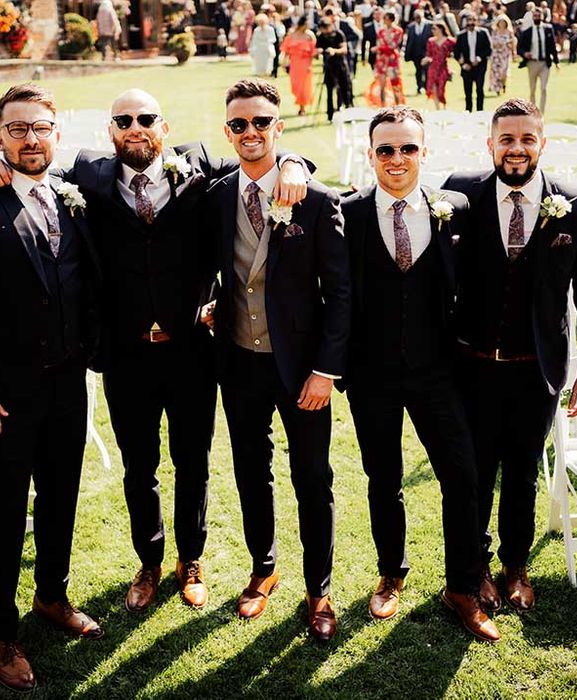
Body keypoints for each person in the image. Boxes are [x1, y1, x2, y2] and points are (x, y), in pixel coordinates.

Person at [62, 90, 308, 618]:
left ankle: (189, 561)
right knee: (139, 466)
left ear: (164, 126)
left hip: (193, 350)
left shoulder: (199, 164)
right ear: (110, 130)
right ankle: (149, 563)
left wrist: (291, 161)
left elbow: (260, 157)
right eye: (123, 119)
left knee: (192, 461)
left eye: (146, 118)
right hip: (126, 355)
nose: (135, 126)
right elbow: (33, 171)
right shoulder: (88, 174)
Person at [443, 98, 577, 614]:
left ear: (542, 142)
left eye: (527, 138)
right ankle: (475, 570)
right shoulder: (460, 193)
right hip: (471, 367)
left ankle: (516, 566)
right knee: (474, 473)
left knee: (521, 471)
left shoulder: (575, 205)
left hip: (537, 370)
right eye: (507, 139)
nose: (517, 148)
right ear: (490, 144)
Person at [340, 106, 500, 643]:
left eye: (408, 148)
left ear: (424, 153)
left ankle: (462, 585)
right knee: (383, 479)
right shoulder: (349, 214)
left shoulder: (453, 208)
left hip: (440, 373)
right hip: (371, 375)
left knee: (463, 475)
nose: (397, 159)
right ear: (371, 155)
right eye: (386, 149)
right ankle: (391, 573)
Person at [207, 79, 350, 643]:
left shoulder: (316, 199)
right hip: (239, 359)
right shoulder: (216, 195)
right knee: (251, 471)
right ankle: (263, 569)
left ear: (278, 127)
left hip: (303, 368)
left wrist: (325, 370)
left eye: (261, 123)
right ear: (227, 130)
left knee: (312, 476)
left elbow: (340, 293)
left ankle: (320, 589)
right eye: (239, 124)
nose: (250, 133)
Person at [0, 83, 103, 693]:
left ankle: (52, 596)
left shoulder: (74, 195)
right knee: (6, 511)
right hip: (9, 392)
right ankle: (2, 633)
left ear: (57, 133)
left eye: (40, 127)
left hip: (68, 380)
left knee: (61, 495)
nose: (30, 139)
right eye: (16, 129)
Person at [517, 8, 559, 114]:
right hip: (532, 63)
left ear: (542, 17)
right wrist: (525, 54)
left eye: (538, 15)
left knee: (544, 88)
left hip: (545, 63)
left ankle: (542, 113)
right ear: (532, 17)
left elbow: (553, 46)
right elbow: (519, 48)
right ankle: (533, 111)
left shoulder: (548, 29)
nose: (537, 18)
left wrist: (556, 61)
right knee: (532, 89)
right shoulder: (527, 32)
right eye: (535, 16)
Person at [316, 17, 353, 122]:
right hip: (328, 66)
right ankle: (330, 115)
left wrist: (334, 51)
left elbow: (344, 49)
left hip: (340, 65)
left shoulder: (339, 34)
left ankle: (349, 113)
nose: (325, 31)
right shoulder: (321, 36)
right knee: (329, 91)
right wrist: (319, 51)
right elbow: (317, 50)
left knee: (345, 89)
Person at [454, 12, 492, 112]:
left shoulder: (483, 33)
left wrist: (479, 58)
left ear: (477, 21)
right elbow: (456, 52)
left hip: (480, 66)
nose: (471, 22)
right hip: (467, 67)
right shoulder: (461, 35)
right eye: (469, 20)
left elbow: (488, 49)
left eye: (473, 20)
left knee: (479, 90)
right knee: (468, 92)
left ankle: (480, 112)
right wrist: (462, 63)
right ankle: (468, 112)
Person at [280, 16, 316, 116]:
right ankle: (301, 104)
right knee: (295, 86)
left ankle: (302, 108)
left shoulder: (310, 36)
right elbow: (286, 51)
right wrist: (283, 63)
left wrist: (310, 63)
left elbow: (313, 51)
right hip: (294, 64)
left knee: (303, 87)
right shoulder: (291, 35)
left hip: (306, 64)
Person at [374, 11, 405, 106]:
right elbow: (379, 43)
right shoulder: (381, 31)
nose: (384, 21)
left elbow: (393, 45)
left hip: (392, 59)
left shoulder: (398, 31)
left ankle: (398, 105)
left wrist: (380, 48)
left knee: (395, 83)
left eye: (386, 19)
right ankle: (382, 106)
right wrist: (380, 48)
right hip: (382, 60)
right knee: (381, 85)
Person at [423, 21, 456, 109]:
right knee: (433, 88)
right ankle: (437, 108)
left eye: (434, 28)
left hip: (443, 67)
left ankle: (444, 106)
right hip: (433, 67)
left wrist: (452, 68)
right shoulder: (430, 41)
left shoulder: (450, 41)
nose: (432, 30)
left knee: (441, 89)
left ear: (441, 29)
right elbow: (429, 54)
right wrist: (426, 60)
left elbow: (454, 54)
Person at [404, 9, 433, 95]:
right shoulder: (411, 27)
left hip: (426, 52)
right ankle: (419, 86)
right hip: (415, 53)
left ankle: (427, 86)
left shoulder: (430, 25)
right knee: (418, 71)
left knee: (427, 70)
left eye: (419, 17)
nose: (417, 19)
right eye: (416, 17)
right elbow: (409, 41)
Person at [488, 15, 515, 95]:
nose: (502, 24)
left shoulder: (509, 32)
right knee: (496, 72)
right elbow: (491, 41)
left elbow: (513, 41)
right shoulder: (495, 31)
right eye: (500, 22)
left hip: (505, 54)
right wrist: (495, 44)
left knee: (504, 72)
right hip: (496, 54)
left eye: (503, 22)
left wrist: (513, 51)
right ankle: (497, 88)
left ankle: (504, 84)